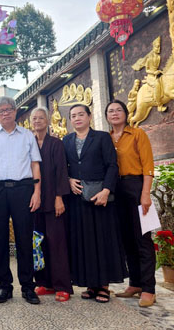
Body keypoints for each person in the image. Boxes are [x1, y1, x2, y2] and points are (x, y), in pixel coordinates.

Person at [63, 104, 127, 304]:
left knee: (102, 241)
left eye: (81, 114)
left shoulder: (101, 137)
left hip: (100, 198)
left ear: (89, 116)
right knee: (84, 242)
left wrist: (107, 190)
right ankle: (91, 284)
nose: (77, 118)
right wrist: (67, 179)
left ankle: (104, 286)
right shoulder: (66, 140)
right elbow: (62, 165)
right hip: (77, 199)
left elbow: (112, 165)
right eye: (73, 116)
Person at [0, 96, 42, 305]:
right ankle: (4, 286)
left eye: (8, 109)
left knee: (24, 238)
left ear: (15, 111)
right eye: (1, 111)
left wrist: (37, 191)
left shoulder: (27, 135)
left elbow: (35, 164)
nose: (5, 113)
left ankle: (27, 286)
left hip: (23, 189)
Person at [105, 99, 157, 307]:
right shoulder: (106, 138)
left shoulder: (138, 134)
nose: (115, 113)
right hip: (116, 191)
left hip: (136, 187)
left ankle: (149, 289)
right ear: (107, 116)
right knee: (126, 240)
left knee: (143, 239)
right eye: (111, 111)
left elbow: (148, 166)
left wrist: (145, 193)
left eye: (119, 110)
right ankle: (135, 283)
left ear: (126, 114)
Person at [30, 107, 73, 302]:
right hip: (33, 201)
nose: (37, 121)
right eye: (34, 118)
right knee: (38, 243)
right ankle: (43, 282)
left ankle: (62, 286)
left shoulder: (56, 143)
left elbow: (61, 171)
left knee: (57, 243)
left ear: (47, 121)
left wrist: (59, 197)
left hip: (52, 199)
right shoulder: (27, 143)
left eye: (41, 118)